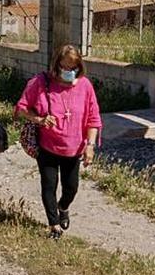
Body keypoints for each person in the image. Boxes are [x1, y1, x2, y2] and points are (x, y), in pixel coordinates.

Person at [14, 44, 102, 239]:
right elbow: (21, 109)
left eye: (74, 68)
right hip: (48, 146)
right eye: (66, 67)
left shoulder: (85, 86)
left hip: (74, 148)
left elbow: (93, 119)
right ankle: (54, 224)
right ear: (57, 65)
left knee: (71, 188)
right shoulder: (40, 82)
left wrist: (90, 145)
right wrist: (39, 119)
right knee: (49, 186)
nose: (70, 72)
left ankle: (63, 207)